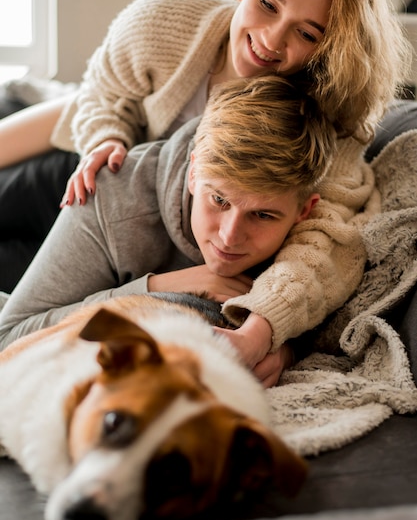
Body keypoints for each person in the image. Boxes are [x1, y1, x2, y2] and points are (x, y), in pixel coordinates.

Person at [0, 0, 408, 374]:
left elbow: (322, 243)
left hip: (151, 233)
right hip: (100, 174)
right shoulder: (162, 22)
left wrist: (269, 334)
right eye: (267, 4)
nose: (271, 40)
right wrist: (106, 138)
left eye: (307, 33)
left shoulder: (326, 119)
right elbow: (104, 89)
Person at [0, 74, 341, 389]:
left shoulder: (314, 238)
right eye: (219, 200)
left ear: (303, 211)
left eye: (263, 215)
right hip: (72, 186)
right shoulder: (114, 195)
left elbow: (323, 316)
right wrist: (156, 287)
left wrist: (282, 348)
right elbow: (11, 337)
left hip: (83, 265)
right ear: (195, 173)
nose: (229, 237)